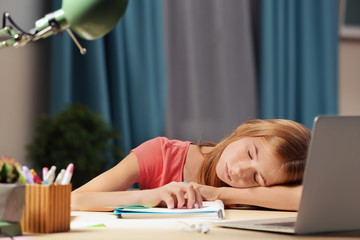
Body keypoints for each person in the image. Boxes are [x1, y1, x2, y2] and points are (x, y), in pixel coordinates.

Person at [71, 119, 311, 212]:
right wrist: (152, 195)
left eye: (257, 178)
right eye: (249, 153)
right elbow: (74, 200)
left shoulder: (249, 194)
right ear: (246, 129)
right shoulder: (160, 154)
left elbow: (310, 198)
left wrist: (219, 193)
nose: (239, 171)